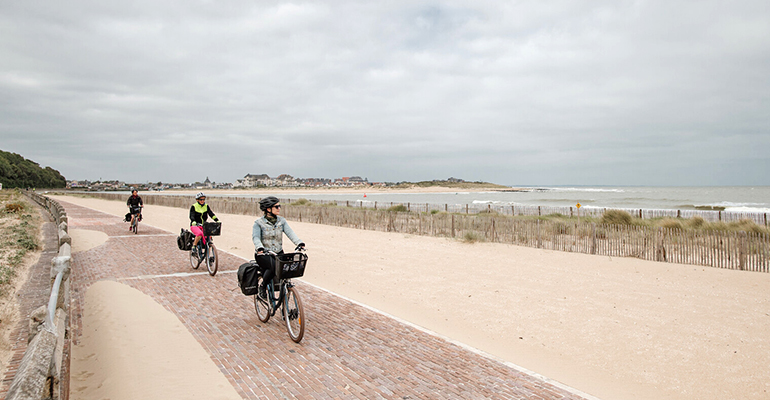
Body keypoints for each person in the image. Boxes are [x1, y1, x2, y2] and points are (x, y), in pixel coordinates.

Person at [252, 196, 305, 299]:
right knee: (273, 267)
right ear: (268, 209)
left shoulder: (282, 221)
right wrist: (259, 248)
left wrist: (299, 243)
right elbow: (256, 237)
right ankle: (262, 287)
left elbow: (290, 233)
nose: (279, 208)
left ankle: (284, 294)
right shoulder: (258, 223)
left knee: (286, 268)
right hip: (264, 254)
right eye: (277, 206)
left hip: (278, 252)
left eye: (279, 206)